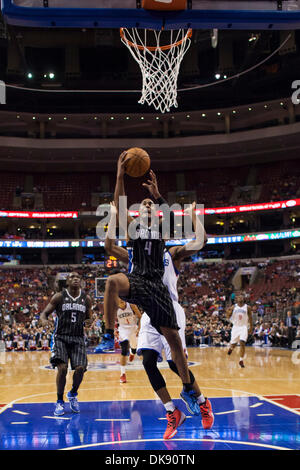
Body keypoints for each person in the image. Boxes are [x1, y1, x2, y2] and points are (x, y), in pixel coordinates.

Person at [97, 152, 202, 416]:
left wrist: (157, 195)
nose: (145, 205)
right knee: (111, 281)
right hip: (137, 281)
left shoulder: (161, 229)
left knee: (175, 346)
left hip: (157, 287)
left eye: (148, 204)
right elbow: (120, 207)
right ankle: (108, 334)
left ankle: (189, 388)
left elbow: (177, 220)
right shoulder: (132, 229)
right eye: (141, 202)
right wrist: (120, 175)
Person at [104, 201, 214, 439]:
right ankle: (172, 411)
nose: (147, 206)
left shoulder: (171, 252)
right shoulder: (134, 252)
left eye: (153, 206)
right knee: (147, 362)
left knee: (176, 364)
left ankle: (202, 401)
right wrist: (114, 216)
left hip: (170, 308)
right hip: (148, 309)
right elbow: (110, 247)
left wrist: (193, 216)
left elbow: (200, 242)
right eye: (143, 206)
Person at [40, 272, 92, 416]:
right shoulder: (59, 296)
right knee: (62, 368)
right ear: (67, 282)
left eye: (78, 277)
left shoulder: (86, 299)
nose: (76, 279)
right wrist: (44, 320)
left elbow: (89, 317)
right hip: (60, 337)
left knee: (80, 368)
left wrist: (89, 321)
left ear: (81, 281)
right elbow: (44, 314)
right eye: (72, 277)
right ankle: (59, 401)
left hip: (78, 338)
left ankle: (73, 393)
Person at [116, 298, 142, 383]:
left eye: (122, 299)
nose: (121, 300)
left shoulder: (131, 305)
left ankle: (132, 352)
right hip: (123, 330)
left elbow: (140, 317)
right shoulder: (114, 307)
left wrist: (139, 328)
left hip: (133, 328)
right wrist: (113, 330)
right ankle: (122, 374)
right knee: (124, 350)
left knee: (134, 348)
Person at [226, 293, 253, 368]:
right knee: (233, 344)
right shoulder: (233, 307)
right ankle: (231, 348)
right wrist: (228, 313)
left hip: (244, 327)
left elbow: (250, 318)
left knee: (242, 342)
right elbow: (227, 316)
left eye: (242, 297)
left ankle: (241, 360)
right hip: (236, 327)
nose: (240, 298)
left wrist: (251, 327)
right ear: (236, 299)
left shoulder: (247, 307)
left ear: (244, 299)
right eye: (239, 297)